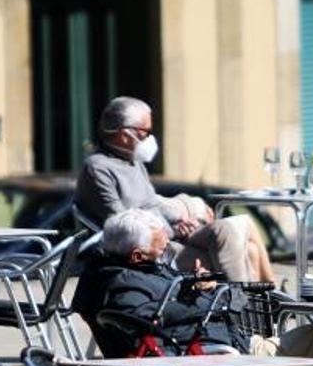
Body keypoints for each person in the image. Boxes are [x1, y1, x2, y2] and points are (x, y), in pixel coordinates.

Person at [72, 209, 313, 366]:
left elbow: (163, 307)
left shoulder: (118, 273)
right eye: (161, 249)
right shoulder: (124, 285)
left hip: (213, 351)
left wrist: (194, 286)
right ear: (136, 255)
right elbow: (150, 319)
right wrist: (207, 297)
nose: (165, 252)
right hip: (220, 363)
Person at [75, 96, 275, 283]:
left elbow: (152, 203)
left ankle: (270, 297)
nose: (149, 139)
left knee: (243, 228)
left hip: (170, 235)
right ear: (124, 134)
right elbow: (124, 226)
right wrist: (174, 230)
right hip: (152, 249)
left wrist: (183, 219)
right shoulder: (98, 168)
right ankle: (241, 309)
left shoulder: (133, 161)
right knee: (244, 249)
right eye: (145, 133)